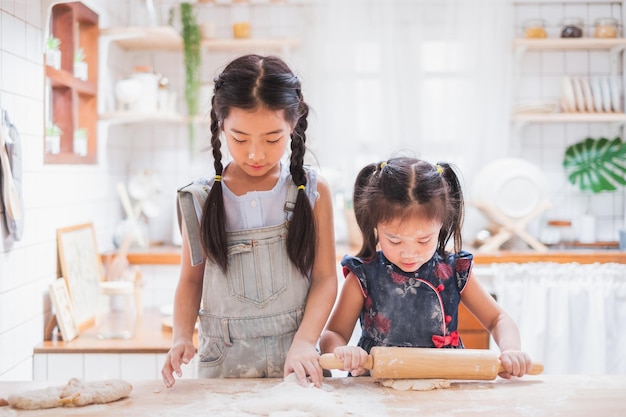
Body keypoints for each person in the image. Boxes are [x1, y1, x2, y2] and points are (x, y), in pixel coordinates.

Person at [161, 54, 337, 388]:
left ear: (294, 126)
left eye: (272, 139)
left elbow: (326, 279)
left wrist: (304, 342)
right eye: (239, 138)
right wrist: (181, 336)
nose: (256, 154)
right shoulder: (198, 198)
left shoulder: (313, 191)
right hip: (222, 365)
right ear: (220, 125)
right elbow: (190, 280)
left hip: (296, 361)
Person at [320, 157, 534, 379]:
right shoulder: (364, 276)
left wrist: (511, 350)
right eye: (394, 240)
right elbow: (333, 333)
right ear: (375, 225)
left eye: (423, 240)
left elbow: (498, 319)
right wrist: (343, 352)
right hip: (375, 387)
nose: (409, 252)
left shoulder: (453, 271)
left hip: (445, 383)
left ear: (441, 225)